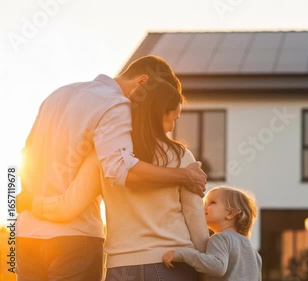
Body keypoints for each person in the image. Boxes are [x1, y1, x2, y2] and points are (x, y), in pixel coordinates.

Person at [16, 56, 207, 281]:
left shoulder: (59, 94)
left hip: (27, 234)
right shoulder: (117, 105)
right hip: (75, 239)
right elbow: (121, 170)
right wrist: (184, 175)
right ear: (143, 82)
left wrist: (29, 201)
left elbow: (27, 154)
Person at [163, 186, 262, 281]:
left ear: (230, 213)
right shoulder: (253, 252)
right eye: (204, 203)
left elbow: (217, 267)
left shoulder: (220, 238)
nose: (204, 207)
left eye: (212, 203)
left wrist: (183, 254)